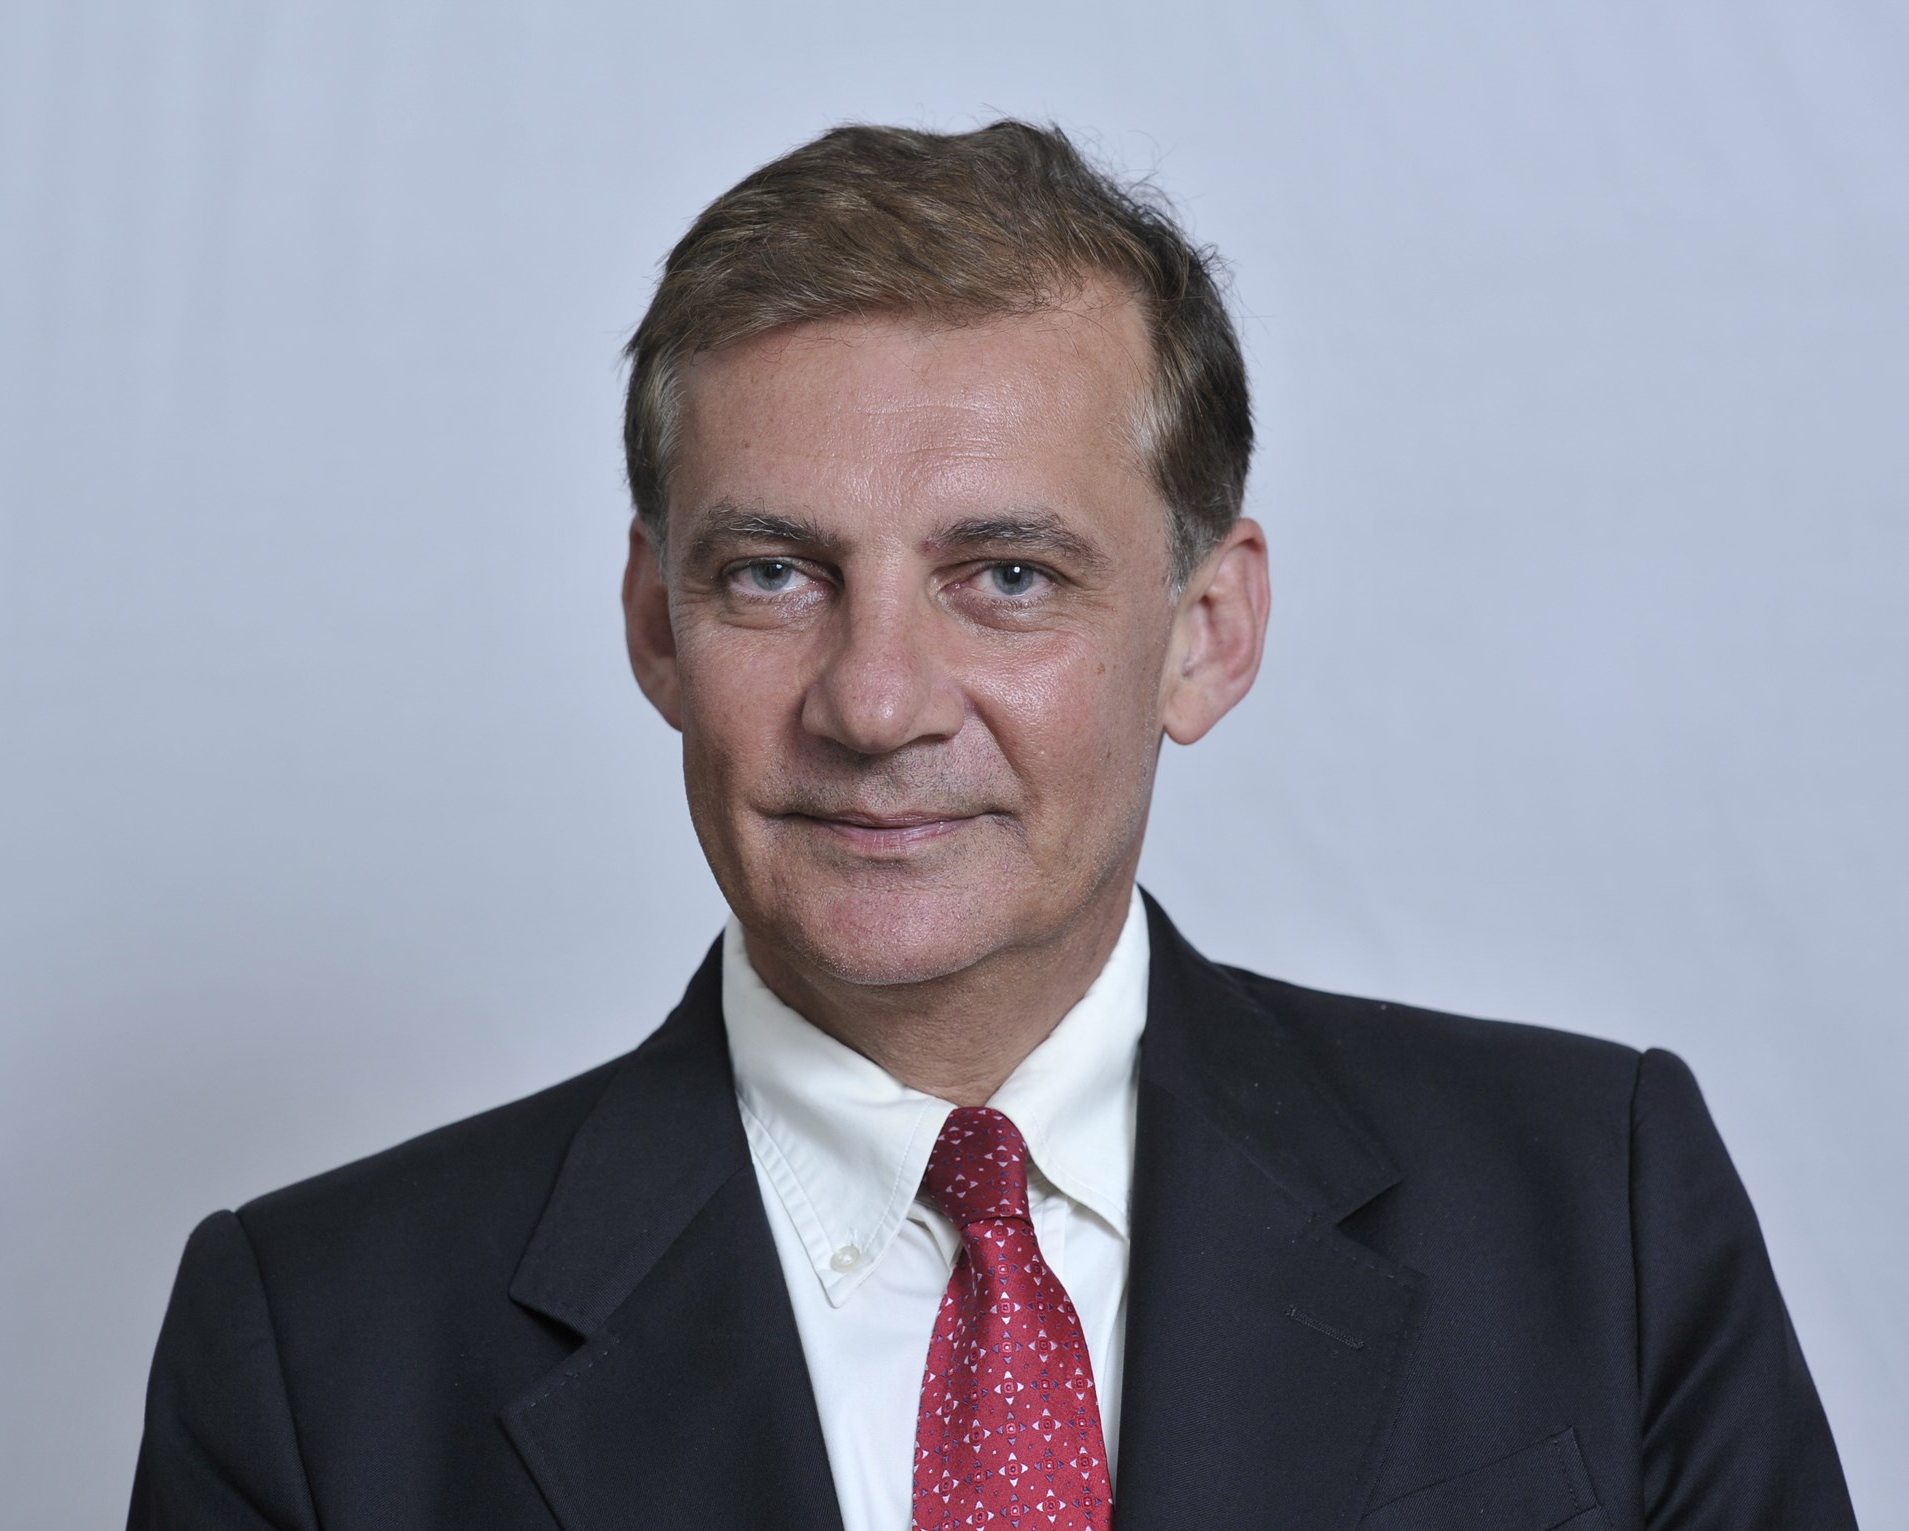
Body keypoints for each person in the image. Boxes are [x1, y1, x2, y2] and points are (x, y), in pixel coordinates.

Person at [127, 121, 1855, 1531]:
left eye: (1008, 576)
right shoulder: (315, 1350)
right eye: (774, 574)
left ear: (1205, 633)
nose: (876, 704)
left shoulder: (1595, 1209)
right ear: (656, 626)